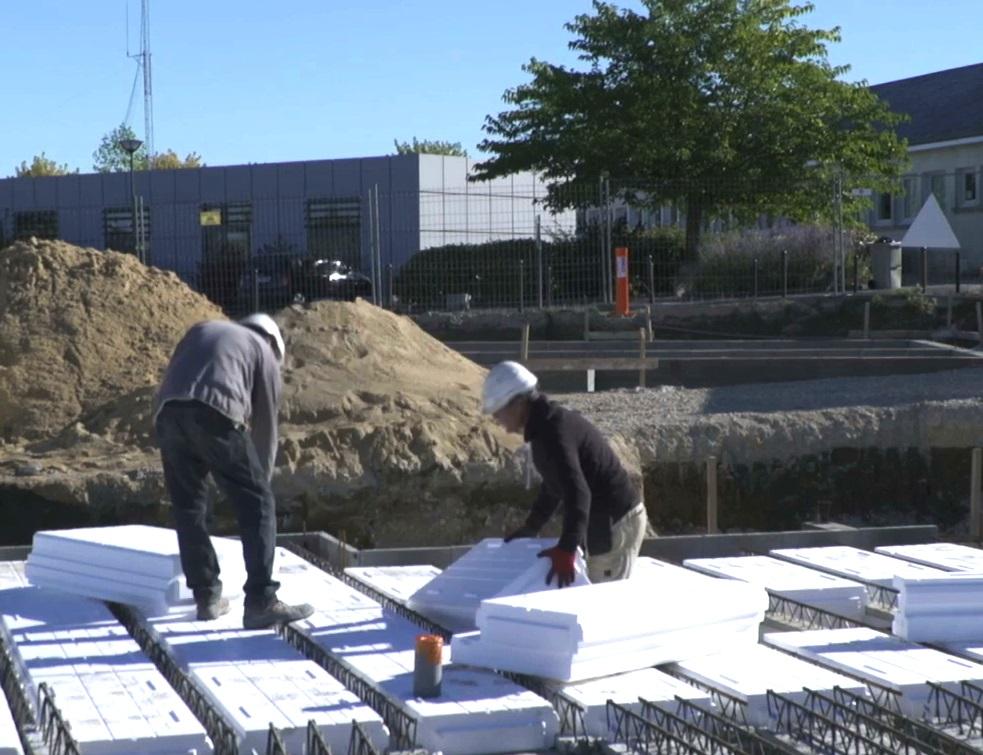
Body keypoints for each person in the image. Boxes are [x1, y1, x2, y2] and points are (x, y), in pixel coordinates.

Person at [154, 313, 314, 628]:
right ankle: (261, 601)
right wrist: (259, 488)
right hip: (215, 413)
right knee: (259, 503)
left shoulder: (203, 328)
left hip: (167, 413)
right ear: (273, 342)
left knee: (189, 507)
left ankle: (207, 597)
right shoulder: (264, 350)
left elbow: (175, 375)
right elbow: (266, 428)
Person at [483, 361, 648, 588]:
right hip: (606, 519)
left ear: (518, 403)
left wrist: (567, 549)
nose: (497, 421)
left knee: (603, 600)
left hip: (615, 522)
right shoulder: (547, 426)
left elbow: (578, 494)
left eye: (498, 412)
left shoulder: (553, 433)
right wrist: (532, 526)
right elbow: (554, 485)